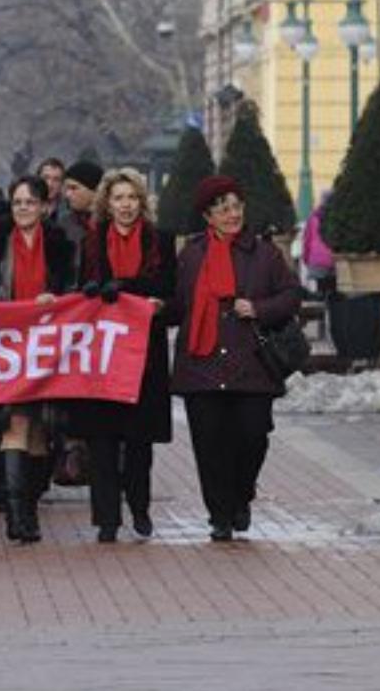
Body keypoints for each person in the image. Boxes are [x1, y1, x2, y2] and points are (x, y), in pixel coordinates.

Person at [171, 175, 300, 542]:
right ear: (207, 216)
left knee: (253, 435)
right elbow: (178, 304)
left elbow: (291, 295)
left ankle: (242, 494)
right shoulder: (192, 255)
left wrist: (258, 307)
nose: (232, 214)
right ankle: (220, 515)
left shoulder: (264, 253)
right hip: (202, 363)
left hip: (251, 363)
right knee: (209, 443)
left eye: (236, 206)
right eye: (222, 208)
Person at [67, 168, 175, 543]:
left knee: (139, 441)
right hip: (103, 354)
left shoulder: (160, 241)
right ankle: (107, 518)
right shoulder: (91, 243)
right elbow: (81, 294)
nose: (126, 205)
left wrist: (145, 298)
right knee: (102, 440)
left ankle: (140, 508)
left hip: (145, 354)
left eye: (132, 198)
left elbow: (174, 298)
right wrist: (92, 291)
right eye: (118, 198)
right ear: (107, 204)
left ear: (141, 201)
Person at [0, 176, 76, 543]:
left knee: (39, 434)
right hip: (7, 350)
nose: (23, 209)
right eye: (17, 202)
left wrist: (57, 297)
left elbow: (72, 290)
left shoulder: (61, 246)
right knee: (13, 426)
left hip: (48, 351)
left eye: (30, 202)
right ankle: (15, 515)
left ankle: (29, 509)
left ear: (44, 206)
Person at [58, 160, 104, 277]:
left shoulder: (112, 223)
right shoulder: (63, 225)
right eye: (67, 189)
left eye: (74, 188)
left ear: (93, 190)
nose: (68, 194)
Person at [301, 190, 336, 297]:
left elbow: (307, 240)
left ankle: (322, 309)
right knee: (334, 293)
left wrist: (306, 258)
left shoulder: (312, 218)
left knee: (319, 293)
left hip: (316, 261)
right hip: (335, 259)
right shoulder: (337, 217)